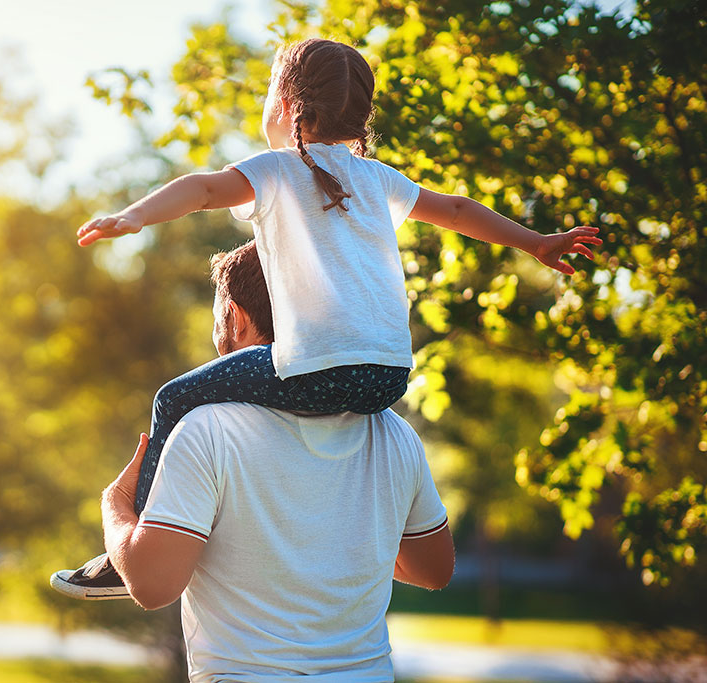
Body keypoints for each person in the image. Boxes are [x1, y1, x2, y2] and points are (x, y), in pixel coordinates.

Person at [53, 37, 599, 598]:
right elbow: (457, 210)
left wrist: (134, 216)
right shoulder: (379, 178)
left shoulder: (277, 170)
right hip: (388, 378)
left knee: (173, 398)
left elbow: (203, 189)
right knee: (266, 379)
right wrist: (536, 242)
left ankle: (137, 544)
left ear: (286, 107)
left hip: (317, 370)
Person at [99, 240, 454, 681]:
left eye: (218, 319)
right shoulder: (393, 432)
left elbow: (152, 586)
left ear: (236, 317)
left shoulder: (208, 430)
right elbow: (433, 570)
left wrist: (115, 506)